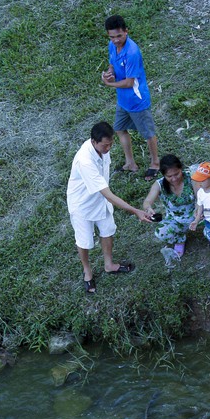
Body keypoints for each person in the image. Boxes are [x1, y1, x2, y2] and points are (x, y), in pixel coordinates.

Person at [66, 122, 151, 294]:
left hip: (100, 200)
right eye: (105, 145)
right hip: (82, 205)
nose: (109, 148)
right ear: (93, 141)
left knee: (107, 231)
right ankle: (87, 271)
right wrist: (135, 211)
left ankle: (109, 264)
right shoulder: (85, 161)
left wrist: (106, 147)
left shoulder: (103, 149)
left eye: (111, 144)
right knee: (84, 242)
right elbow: (108, 194)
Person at [101, 15, 160, 180]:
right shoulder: (112, 46)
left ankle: (155, 163)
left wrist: (110, 84)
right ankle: (130, 163)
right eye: (112, 37)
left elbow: (129, 82)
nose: (115, 40)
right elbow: (112, 64)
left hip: (136, 101)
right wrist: (109, 74)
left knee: (148, 133)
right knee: (119, 129)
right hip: (123, 100)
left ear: (126, 31)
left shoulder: (132, 52)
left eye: (119, 36)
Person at [142, 154, 198, 257]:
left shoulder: (191, 178)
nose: (174, 178)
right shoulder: (159, 185)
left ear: (181, 169)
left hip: (196, 216)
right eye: (169, 176)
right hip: (175, 220)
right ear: (163, 175)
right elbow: (147, 201)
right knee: (161, 232)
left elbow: (200, 197)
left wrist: (199, 210)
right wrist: (148, 208)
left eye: (176, 174)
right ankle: (180, 239)